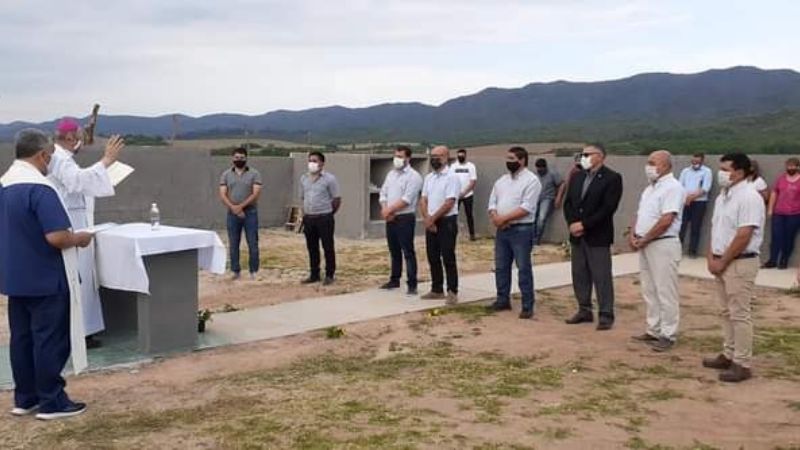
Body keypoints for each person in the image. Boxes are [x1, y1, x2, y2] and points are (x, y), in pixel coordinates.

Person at [1, 128, 93, 419]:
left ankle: (25, 397)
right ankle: (52, 400)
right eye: (50, 156)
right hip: (46, 277)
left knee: (22, 339)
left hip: (15, 276)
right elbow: (56, 236)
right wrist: (79, 238)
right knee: (49, 340)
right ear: (42, 154)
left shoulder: (4, 185)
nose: (50, 162)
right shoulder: (40, 188)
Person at [47, 117, 125, 349]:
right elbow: (77, 181)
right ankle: (78, 333)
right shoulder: (60, 159)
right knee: (78, 279)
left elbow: (78, 175)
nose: (79, 142)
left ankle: (84, 330)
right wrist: (106, 160)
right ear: (69, 137)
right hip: (71, 225)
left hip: (78, 221)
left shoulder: (63, 156)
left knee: (85, 279)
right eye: (77, 137)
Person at [702, 153, 765, 382]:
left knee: (739, 313)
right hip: (721, 260)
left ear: (739, 172)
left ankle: (742, 362)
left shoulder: (749, 197)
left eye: (726, 169)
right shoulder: (723, 196)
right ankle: (728, 353)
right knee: (725, 311)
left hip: (739, 262)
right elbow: (716, 228)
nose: (722, 173)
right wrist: (711, 256)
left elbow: (743, 235)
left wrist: (724, 260)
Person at [563, 143, 623, 330]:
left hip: (597, 235)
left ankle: (605, 313)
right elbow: (569, 203)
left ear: (600, 156)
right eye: (582, 154)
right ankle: (584, 309)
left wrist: (585, 224)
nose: (583, 157)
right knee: (579, 274)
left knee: (601, 275)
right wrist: (572, 224)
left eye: (587, 154)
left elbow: (608, 208)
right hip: (577, 235)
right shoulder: (577, 176)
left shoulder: (612, 178)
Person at [629, 150, 685, 352]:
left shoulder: (673, 188)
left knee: (665, 290)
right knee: (649, 288)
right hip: (646, 243)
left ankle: (668, 333)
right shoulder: (649, 189)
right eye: (648, 162)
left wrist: (646, 238)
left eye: (653, 163)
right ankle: (653, 328)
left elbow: (666, 220)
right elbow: (640, 214)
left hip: (663, 243)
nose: (649, 167)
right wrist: (634, 234)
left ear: (666, 165)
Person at [487, 147, 542, 319]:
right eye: (507, 158)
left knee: (523, 267)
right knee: (501, 266)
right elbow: (492, 202)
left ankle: (527, 304)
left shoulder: (532, 181)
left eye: (512, 158)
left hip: (521, 229)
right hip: (502, 230)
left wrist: (504, 219)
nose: (508, 161)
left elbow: (527, 207)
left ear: (522, 160)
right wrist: (496, 217)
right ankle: (502, 299)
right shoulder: (501, 180)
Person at [379, 146, 424, 295]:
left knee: (408, 251)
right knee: (394, 250)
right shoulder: (391, 174)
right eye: (395, 156)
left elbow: (407, 199)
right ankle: (394, 279)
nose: (397, 159)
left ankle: (412, 284)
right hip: (390, 217)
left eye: (400, 156)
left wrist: (389, 210)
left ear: (408, 158)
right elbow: (383, 193)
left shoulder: (414, 176)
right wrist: (386, 209)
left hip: (404, 217)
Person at [420, 145, 461, 304]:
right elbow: (423, 199)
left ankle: (452, 291)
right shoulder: (429, 177)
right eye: (433, 156)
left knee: (448, 257)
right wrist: (427, 218)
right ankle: (437, 289)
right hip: (431, 221)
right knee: (433, 256)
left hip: (446, 222)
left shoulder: (452, 177)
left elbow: (449, 202)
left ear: (446, 157)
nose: (435, 159)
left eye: (438, 156)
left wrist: (433, 218)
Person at [219, 147, 262, 280]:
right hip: (232, 213)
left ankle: (253, 271)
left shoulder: (255, 173)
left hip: (250, 212)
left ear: (246, 158)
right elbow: (222, 193)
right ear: (232, 158)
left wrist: (241, 207)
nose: (239, 160)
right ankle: (235, 271)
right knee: (233, 243)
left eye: (242, 157)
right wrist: (234, 208)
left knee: (252, 243)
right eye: (237, 157)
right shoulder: (226, 174)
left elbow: (255, 194)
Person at [299, 151, 341, 285]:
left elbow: (336, 199)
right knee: (312, 247)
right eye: (310, 160)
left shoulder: (329, 179)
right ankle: (314, 273)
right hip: (309, 218)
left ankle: (329, 274)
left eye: (315, 161)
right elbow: (303, 197)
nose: (312, 163)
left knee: (327, 246)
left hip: (324, 217)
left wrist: (328, 213)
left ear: (322, 163)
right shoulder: (304, 178)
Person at [763, 157, 800, 269]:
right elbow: (774, 193)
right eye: (788, 166)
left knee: (789, 238)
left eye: (793, 166)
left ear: (798, 167)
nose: (790, 168)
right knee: (776, 237)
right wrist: (770, 209)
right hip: (779, 213)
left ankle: (784, 260)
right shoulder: (781, 179)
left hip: (794, 214)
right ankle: (772, 260)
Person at [678, 153, 713, 258]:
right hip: (685, 201)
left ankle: (692, 251)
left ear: (702, 161)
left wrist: (692, 197)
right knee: (681, 226)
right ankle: (677, 249)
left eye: (697, 162)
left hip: (699, 202)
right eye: (693, 161)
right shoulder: (685, 171)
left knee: (695, 227)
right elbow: (680, 185)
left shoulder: (707, 172)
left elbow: (705, 188)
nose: (695, 164)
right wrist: (686, 198)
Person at [533, 158, 564, 245]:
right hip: (536, 198)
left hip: (547, 198)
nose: (539, 171)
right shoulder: (535, 175)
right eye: (538, 169)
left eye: (541, 169)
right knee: (532, 219)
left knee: (541, 218)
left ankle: (536, 240)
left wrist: (558, 197)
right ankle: (531, 238)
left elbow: (562, 184)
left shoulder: (552, 174)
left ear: (545, 167)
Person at [452, 148, 478, 241]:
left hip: (468, 195)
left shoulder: (471, 166)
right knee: (454, 215)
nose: (460, 157)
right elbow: (450, 180)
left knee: (469, 215)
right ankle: (453, 234)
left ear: (465, 156)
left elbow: (473, 181)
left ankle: (472, 234)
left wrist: (464, 192)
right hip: (456, 195)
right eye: (459, 155)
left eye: (462, 155)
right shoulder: (453, 166)